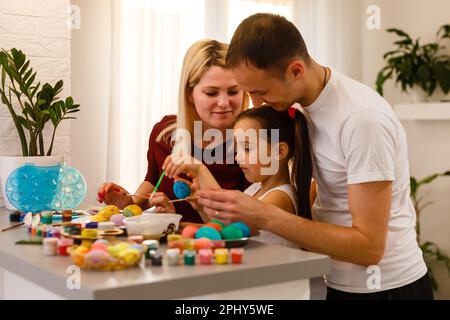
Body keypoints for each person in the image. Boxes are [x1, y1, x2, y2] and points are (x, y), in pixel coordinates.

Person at [196, 13, 433, 300]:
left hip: (386, 289)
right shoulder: (305, 106)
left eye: (261, 92)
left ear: (296, 70)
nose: (257, 102)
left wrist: (265, 215)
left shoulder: (361, 120)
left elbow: (369, 248)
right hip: (337, 282)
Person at [164, 105, 313, 299]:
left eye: (247, 148)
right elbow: (221, 227)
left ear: (279, 151)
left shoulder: (280, 198)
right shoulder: (254, 190)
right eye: (237, 148)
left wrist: (201, 170)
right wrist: (198, 207)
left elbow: (231, 230)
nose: (238, 156)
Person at [97, 39, 250, 223]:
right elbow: (153, 181)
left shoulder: (251, 145)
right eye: (211, 93)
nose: (224, 102)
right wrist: (129, 203)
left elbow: (239, 221)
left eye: (233, 91)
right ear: (189, 94)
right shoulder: (164, 135)